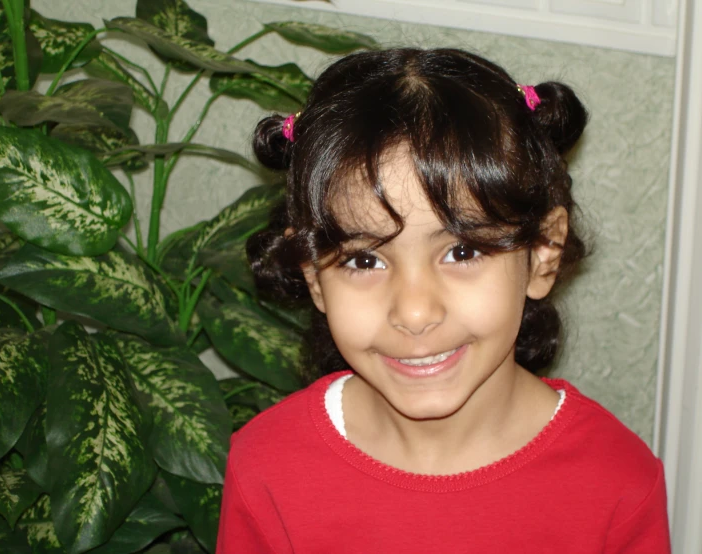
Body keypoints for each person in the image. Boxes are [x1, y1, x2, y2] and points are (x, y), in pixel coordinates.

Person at [216, 47, 671, 553]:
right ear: (314, 278)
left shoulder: (617, 482)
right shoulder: (266, 467)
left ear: (544, 252)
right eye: (364, 261)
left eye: (463, 250)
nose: (414, 313)